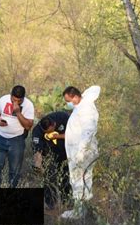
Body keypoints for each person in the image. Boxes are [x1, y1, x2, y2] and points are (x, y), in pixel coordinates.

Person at [61, 85, 100, 218]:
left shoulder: (86, 109)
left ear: (76, 97)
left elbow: (88, 131)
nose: (68, 103)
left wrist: (81, 151)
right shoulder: (81, 107)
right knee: (83, 179)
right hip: (80, 151)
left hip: (83, 152)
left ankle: (79, 211)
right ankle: (83, 209)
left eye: (68, 100)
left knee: (78, 179)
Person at [0, 85, 34, 187]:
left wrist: (18, 112)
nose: (16, 102)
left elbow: (28, 126)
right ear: (10, 95)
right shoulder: (3, 99)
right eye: (13, 99)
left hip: (17, 140)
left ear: (23, 98)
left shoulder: (28, 105)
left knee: (14, 170)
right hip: (0, 138)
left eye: (19, 101)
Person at [32, 111, 72, 210]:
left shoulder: (63, 117)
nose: (49, 133)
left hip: (64, 151)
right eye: (47, 132)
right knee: (48, 177)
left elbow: (74, 135)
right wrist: (38, 165)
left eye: (51, 131)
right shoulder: (37, 131)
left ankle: (67, 201)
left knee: (65, 176)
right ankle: (50, 204)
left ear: (54, 124)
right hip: (48, 153)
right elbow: (37, 151)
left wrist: (57, 136)